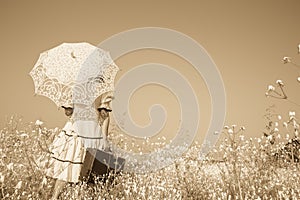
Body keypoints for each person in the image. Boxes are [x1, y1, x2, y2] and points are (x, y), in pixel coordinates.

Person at [47, 91, 113, 199]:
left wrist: (104, 139)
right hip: (74, 134)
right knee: (67, 168)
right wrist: (69, 106)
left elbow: (105, 116)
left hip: (90, 136)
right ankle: (54, 197)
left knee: (81, 173)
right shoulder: (77, 90)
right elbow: (68, 114)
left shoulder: (102, 95)